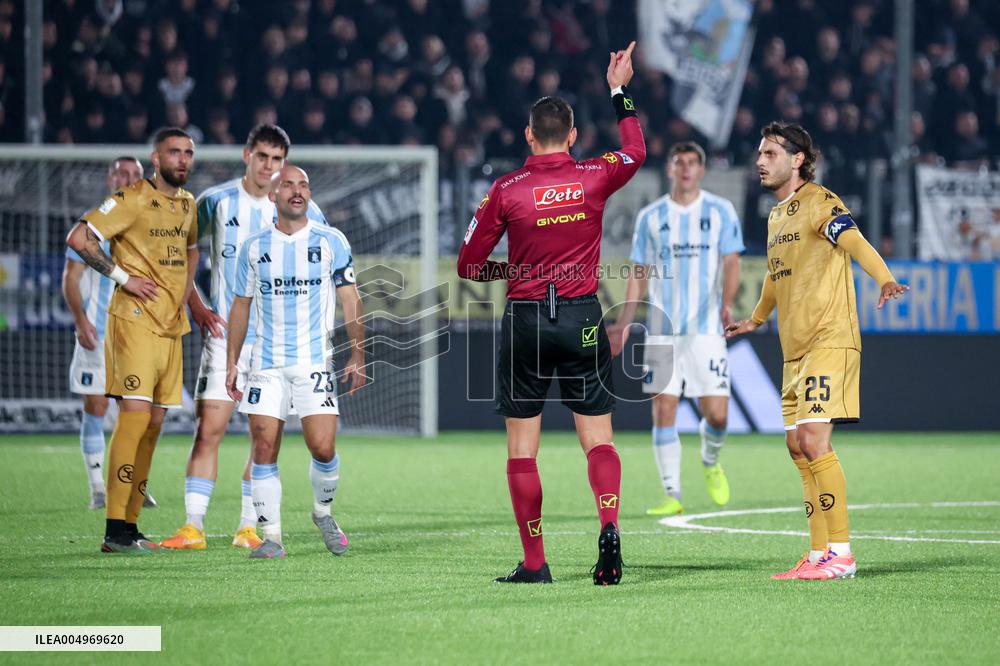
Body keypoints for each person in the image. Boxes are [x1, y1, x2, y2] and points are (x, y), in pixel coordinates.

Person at [457, 42, 645, 585]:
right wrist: (618, 89)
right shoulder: (593, 175)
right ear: (573, 136)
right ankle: (608, 524)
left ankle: (535, 564)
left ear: (527, 137)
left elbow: (470, 264)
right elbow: (635, 149)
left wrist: (509, 273)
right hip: (583, 314)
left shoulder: (507, 189)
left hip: (526, 320)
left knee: (523, 448)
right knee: (599, 438)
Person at [726, 122, 908, 580]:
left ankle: (842, 555)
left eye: (769, 153)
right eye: (760, 154)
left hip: (830, 338)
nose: (760, 161)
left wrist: (883, 278)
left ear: (797, 159)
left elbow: (854, 241)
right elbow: (775, 273)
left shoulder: (821, 202)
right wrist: (757, 319)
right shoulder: (776, 215)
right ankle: (818, 552)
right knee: (796, 445)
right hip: (795, 347)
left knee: (813, 439)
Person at [159, 125, 327, 551]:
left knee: (264, 437)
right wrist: (195, 306)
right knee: (208, 429)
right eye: (263, 157)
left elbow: (323, 274)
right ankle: (192, 527)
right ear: (246, 155)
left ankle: (249, 526)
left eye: (277, 159)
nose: (269, 167)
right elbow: (185, 260)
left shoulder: (303, 208)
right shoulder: (214, 202)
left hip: (275, 346)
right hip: (224, 339)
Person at [67, 127, 203, 553]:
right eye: (174, 152)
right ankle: (113, 529)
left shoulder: (188, 204)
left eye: (188, 153)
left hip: (170, 329)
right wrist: (123, 277)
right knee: (134, 417)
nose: (182, 159)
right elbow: (79, 238)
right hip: (133, 322)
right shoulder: (129, 199)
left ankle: (130, 526)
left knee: (155, 424)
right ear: (156, 158)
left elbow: (193, 249)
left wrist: (185, 299)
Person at [226, 164, 366, 559]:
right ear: (273, 195)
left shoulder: (330, 240)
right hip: (265, 364)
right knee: (264, 446)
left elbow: (351, 300)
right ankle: (271, 537)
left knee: (322, 448)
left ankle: (323, 512)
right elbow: (241, 306)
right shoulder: (254, 248)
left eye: (303, 184)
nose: (297, 190)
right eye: (287, 184)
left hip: (314, 363)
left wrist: (358, 354)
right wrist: (232, 362)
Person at [607, 141, 744, 516]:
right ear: (670, 169)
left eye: (692, 163)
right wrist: (623, 322)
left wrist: (727, 303)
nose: (685, 169)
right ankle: (673, 494)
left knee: (717, 415)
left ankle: (710, 460)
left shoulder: (720, 211)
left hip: (704, 331)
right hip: (661, 330)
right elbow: (640, 273)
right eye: (678, 162)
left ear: (701, 170)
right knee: (664, 408)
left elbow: (732, 262)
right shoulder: (651, 217)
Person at [62, 156, 157, 511]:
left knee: (136, 413)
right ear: (110, 178)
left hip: (136, 335)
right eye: (122, 173)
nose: (129, 178)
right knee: (96, 405)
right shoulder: (91, 225)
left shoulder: (151, 221)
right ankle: (97, 487)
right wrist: (80, 321)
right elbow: (71, 279)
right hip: (98, 332)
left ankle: (131, 482)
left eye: (135, 174)